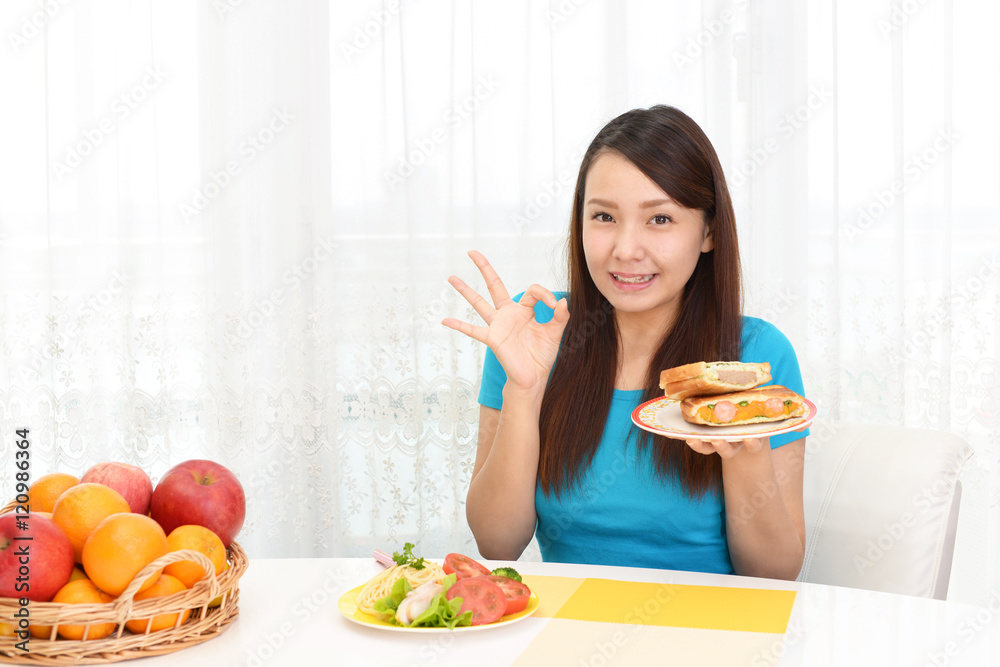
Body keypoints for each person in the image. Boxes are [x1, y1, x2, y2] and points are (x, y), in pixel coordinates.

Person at [442, 105, 809, 580]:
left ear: (709, 231)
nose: (626, 249)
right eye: (604, 217)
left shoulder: (755, 356)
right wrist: (525, 391)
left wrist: (745, 454)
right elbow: (498, 544)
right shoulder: (532, 328)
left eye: (659, 219)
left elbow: (774, 576)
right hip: (571, 632)